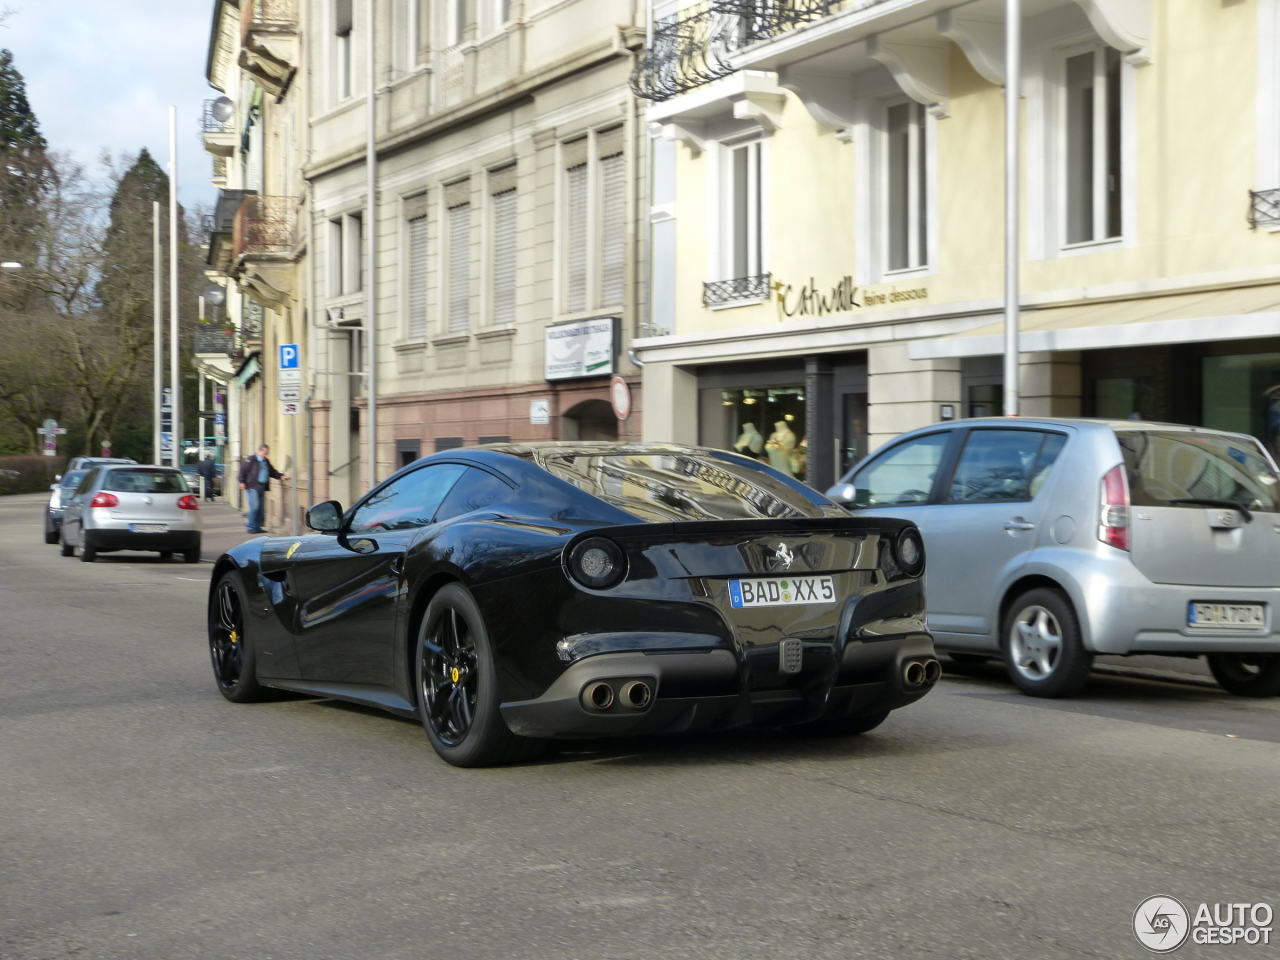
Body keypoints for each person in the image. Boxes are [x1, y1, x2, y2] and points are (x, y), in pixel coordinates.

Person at [238, 445, 289, 534]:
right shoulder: (251, 459)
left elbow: (272, 471)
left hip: (262, 486)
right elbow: (242, 470)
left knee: (261, 508)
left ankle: (257, 527)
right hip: (252, 486)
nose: (266, 455)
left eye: (267, 453)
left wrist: (281, 476)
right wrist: (241, 481)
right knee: (255, 506)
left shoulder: (266, 461)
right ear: (259, 451)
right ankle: (250, 527)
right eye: (265, 453)